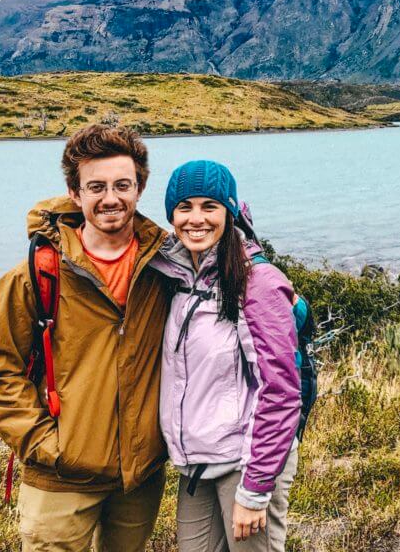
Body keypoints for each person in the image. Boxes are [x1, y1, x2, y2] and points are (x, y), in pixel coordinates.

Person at [0, 124, 171, 552]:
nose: (111, 198)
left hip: (139, 477)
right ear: (75, 193)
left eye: (123, 184)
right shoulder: (35, 274)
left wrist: (283, 297)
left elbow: (225, 261)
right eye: (96, 186)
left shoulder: (166, 265)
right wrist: (47, 445)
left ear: (140, 188)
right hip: (60, 480)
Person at [149, 160, 303, 551]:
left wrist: (254, 490)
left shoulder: (257, 282)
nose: (195, 219)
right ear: (171, 215)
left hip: (246, 461)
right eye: (184, 207)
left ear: (229, 212)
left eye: (209, 206)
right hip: (196, 462)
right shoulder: (179, 276)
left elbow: (281, 392)